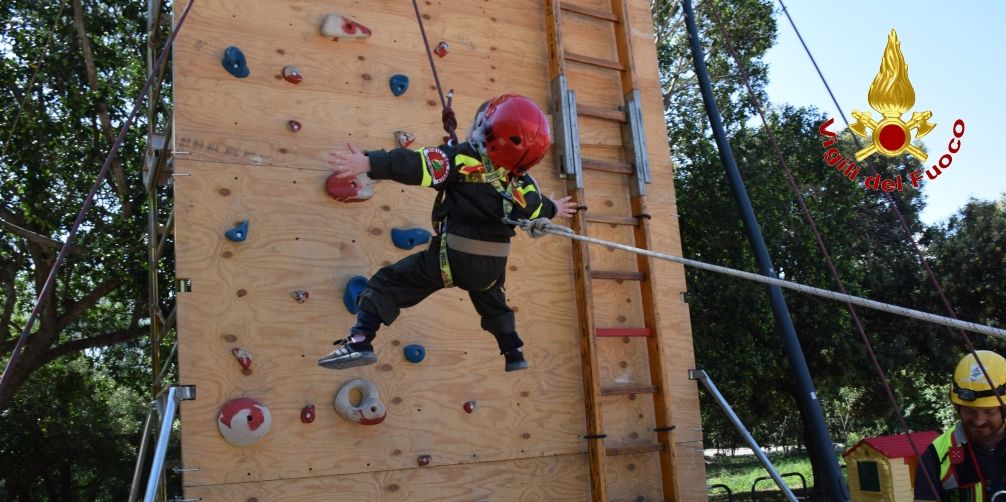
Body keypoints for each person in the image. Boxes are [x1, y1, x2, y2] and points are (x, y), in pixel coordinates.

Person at [318, 94, 576, 372]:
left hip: (451, 259)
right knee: (492, 300)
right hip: (491, 268)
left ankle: (359, 342)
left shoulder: (460, 159)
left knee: (387, 283)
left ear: (486, 128)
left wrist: (370, 163)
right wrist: (554, 208)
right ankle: (513, 352)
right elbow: (536, 209)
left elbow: (417, 165)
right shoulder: (521, 184)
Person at [915, 350, 1006, 501]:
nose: (979, 421)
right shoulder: (936, 456)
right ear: (958, 407)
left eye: (989, 412)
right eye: (970, 411)